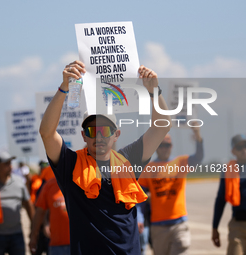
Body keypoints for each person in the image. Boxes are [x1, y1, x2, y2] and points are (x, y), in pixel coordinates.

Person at [39, 60, 171, 254]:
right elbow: (47, 133)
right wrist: (64, 88)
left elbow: (162, 126)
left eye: (105, 129)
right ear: (83, 135)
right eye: (92, 130)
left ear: (116, 134)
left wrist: (154, 91)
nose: (99, 136)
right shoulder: (71, 164)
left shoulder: (128, 160)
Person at [138, 127, 203, 255]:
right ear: (156, 147)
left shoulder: (180, 162)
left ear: (171, 146)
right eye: (161, 145)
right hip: (158, 226)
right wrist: (139, 218)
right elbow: (139, 198)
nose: (164, 148)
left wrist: (197, 135)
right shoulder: (148, 169)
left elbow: (198, 157)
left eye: (167, 145)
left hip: (179, 223)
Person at [212, 134, 246, 255]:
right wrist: (215, 227)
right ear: (233, 151)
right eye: (240, 147)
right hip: (238, 225)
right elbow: (220, 200)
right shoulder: (228, 171)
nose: (244, 150)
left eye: (245, 146)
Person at [30, 177, 70, 255]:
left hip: (81, 244)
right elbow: (40, 211)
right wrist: (34, 236)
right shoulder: (49, 185)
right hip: (56, 245)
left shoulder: (84, 182)